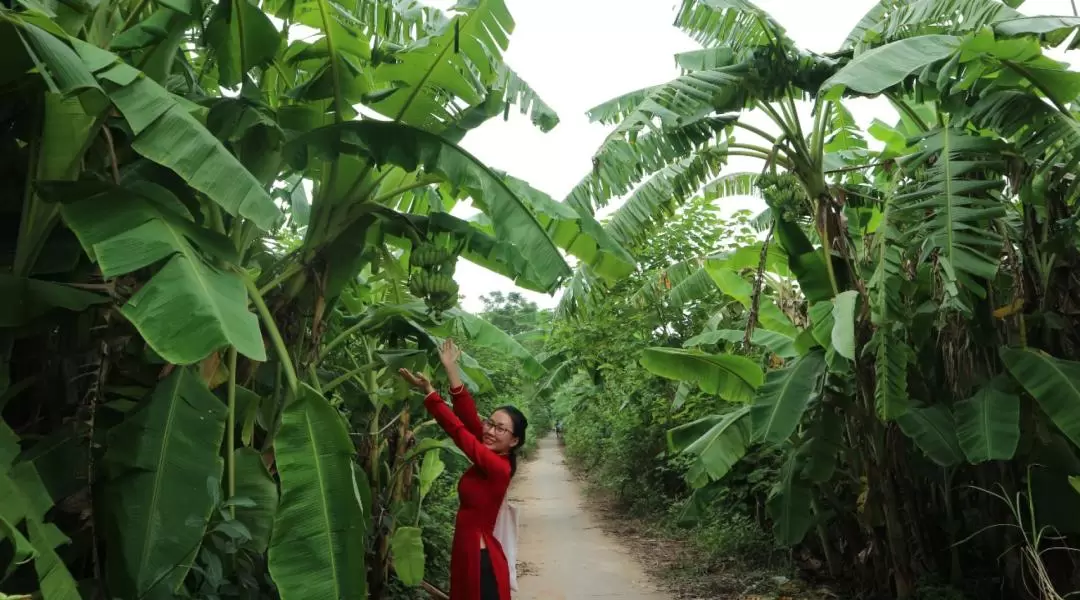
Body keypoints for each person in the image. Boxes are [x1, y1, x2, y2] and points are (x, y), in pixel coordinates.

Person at [399, 338, 527, 600]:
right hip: (468, 551)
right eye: (490, 423)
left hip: (479, 558)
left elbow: (459, 432)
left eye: (500, 428)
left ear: (514, 441)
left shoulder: (497, 467)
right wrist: (451, 370)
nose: (491, 431)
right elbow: (468, 418)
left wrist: (433, 396)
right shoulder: (490, 455)